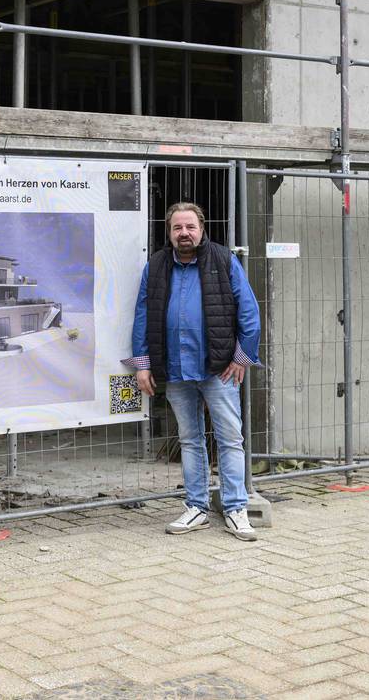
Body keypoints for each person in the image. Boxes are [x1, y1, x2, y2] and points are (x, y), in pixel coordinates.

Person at [126, 202, 260, 540]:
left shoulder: (223, 260)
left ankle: (235, 509)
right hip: (173, 368)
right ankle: (196, 507)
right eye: (177, 228)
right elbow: (142, 316)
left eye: (190, 227)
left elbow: (249, 311)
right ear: (169, 232)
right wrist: (143, 364)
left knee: (230, 439)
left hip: (218, 369)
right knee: (189, 439)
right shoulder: (155, 266)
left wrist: (242, 357)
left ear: (201, 229)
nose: (183, 234)